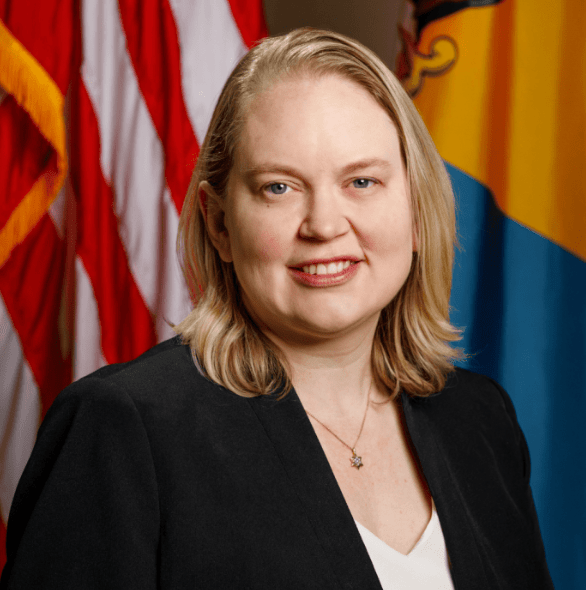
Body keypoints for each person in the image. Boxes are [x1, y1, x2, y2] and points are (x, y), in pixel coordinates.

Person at [0, 28, 553, 589]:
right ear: (219, 223)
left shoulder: (480, 421)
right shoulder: (124, 428)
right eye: (279, 188)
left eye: (362, 181)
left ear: (417, 210)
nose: (325, 225)